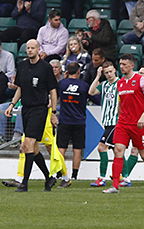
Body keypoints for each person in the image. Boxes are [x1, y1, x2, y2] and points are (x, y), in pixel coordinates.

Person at [4, 39, 58, 192]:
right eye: (27, 48)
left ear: (38, 49)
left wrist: (53, 112)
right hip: (26, 109)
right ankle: (49, 178)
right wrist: (12, 104)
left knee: (26, 144)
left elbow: (53, 91)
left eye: (32, 48)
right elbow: (20, 88)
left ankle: (24, 184)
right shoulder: (22, 66)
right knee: (32, 148)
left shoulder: (45, 68)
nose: (29, 50)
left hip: (39, 109)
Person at [102, 54, 144, 194]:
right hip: (123, 123)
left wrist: (143, 116)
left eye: (124, 64)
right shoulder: (120, 82)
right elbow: (121, 102)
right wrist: (118, 116)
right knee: (118, 150)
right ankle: (115, 185)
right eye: (120, 64)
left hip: (138, 124)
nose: (121, 66)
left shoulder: (140, 80)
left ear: (131, 65)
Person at [88, 61, 120, 187]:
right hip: (107, 122)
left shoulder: (120, 84)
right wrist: (97, 76)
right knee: (117, 150)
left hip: (115, 122)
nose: (109, 74)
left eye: (111, 71)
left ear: (115, 71)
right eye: (106, 73)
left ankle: (101, 177)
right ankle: (124, 176)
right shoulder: (105, 85)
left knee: (102, 147)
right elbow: (91, 91)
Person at [57, 62, 89, 182]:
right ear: (78, 72)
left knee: (61, 147)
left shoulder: (61, 84)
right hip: (79, 121)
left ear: (67, 72)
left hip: (64, 120)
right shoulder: (84, 85)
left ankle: (60, 173)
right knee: (77, 149)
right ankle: (75, 175)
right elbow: (95, 98)